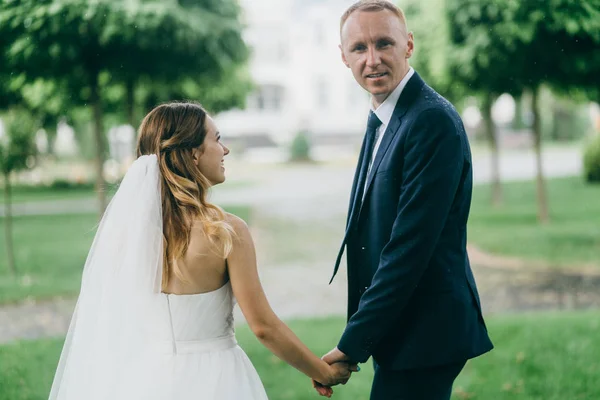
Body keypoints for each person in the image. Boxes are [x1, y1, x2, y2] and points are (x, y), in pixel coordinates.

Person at [48, 102, 354, 400]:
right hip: (216, 378)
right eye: (217, 139)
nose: (226, 150)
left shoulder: (124, 237)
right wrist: (322, 372)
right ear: (194, 153)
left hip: (146, 377)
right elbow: (263, 327)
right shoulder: (226, 231)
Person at [317, 1, 494, 399]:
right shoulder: (385, 114)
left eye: (384, 43)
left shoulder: (430, 120)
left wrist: (352, 343)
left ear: (409, 44)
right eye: (359, 48)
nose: (373, 59)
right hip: (402, 329)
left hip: (427, 333)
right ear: (343, 57)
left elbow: (408, 249)